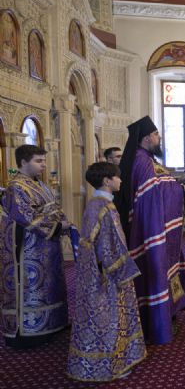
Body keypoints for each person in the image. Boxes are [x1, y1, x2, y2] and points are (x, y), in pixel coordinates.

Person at [114, 116, 185, 345]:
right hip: (150, 231)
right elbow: (153, 195)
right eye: (155, 134)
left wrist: (179, 183)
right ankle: (156, 322)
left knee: (166, 268)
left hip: (159, 228)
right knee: (155, 269)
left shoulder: (148, 159)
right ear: (145, 138)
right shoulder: (141, 161)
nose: (159, 137)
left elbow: (162, 184)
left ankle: (169, 311)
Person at [67, 162, 146, 381]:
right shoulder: (100, 206)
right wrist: (118, 269)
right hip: (106, 273)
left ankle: (115, 360)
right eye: (117, 177)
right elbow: (102, 244)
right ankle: (110, 365)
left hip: (106, 269)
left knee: (112, 316)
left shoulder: (102, 203)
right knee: (108, 318)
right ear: (106, 181)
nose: (120, 180)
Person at [0, 145, 72, 348]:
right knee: (32, 286)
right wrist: (58, 225)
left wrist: (62, 222)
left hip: (46, 245)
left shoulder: (40, 184)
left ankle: (52, 324)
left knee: (49, 283)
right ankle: (30, 332)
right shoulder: (16, 187)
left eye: (44, 160)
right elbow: (25, 216)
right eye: (38, 161)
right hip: (27, 247)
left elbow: (53, 208)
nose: (44, 165)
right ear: (23, 162)